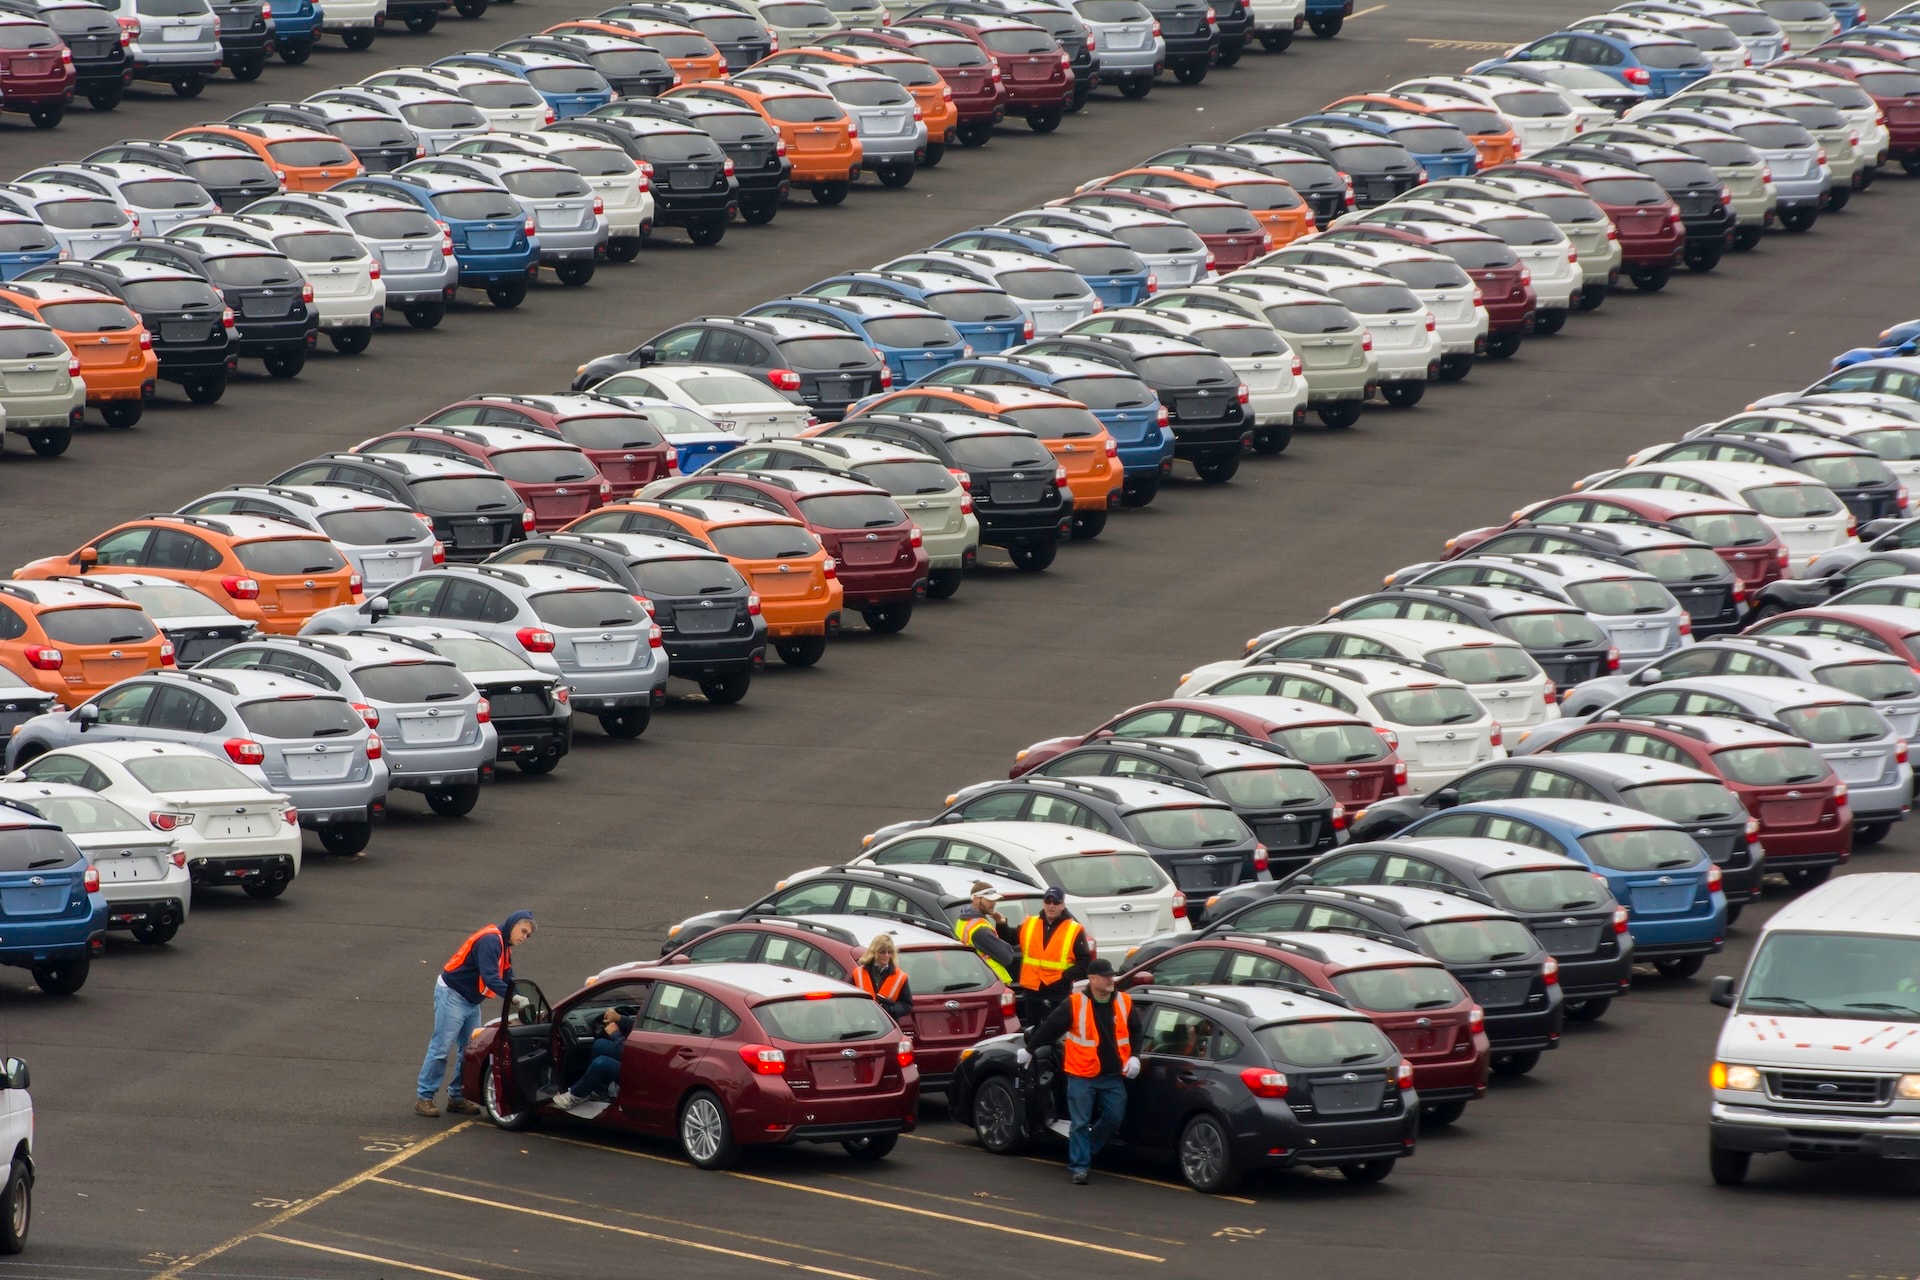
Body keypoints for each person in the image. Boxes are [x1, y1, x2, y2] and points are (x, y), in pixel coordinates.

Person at [1020, 958, 1142, 1184]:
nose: (1110, 980)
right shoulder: (1075, 1003)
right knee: (1079, 1122)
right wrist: (1029, 1050)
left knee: (1114, 1117)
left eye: (1111, 976)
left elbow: (1136, 1030)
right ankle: (1079, 1167)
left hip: (1112, 1075)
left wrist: (1135, 1055)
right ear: (1093, 979)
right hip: (1081, 1075)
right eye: (1106, 976)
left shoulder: (1124, 1001)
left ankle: (1086, 1148)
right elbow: (1049, 1028)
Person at [416, 910, 535, 1118]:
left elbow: (508, 976)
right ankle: (424, 1098)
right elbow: (490, 978)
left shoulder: (505, 946)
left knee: (469, 1050)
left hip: (471, 1000)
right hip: (453, 995)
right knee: (441, 1048)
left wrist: (519, 995)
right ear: (513, 924)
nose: (524, 937)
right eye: (523, 931)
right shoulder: (491, 941)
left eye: (528, 935)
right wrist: (515, 998)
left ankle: (457, 1098)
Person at [1016, 886, 1092, 1020]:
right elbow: (1011, 938)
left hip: (1058, 992)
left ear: (1062, 905)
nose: (1051, 906)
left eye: (1056, 903)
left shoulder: (1073, 929)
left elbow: (1085, 963)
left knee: (1056, 1033)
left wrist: (1064, 977)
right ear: (1043, 903)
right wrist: (1001, 925)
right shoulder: (1030, 923)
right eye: (1048, 902)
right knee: (1033, 1032)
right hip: (1033, 990)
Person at [554, 1007, 632, 1110]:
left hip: (640, 1071)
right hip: (639, 1059)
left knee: (601, 1063)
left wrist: (615, 1035)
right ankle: (599, 1091)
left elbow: (629, 1054)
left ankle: (576, 1096)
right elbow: (640, 1028)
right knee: (600, 1045)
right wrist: (619, 1018)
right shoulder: (657, 1015)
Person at [953, 881, 1021, 986]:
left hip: (979, 979)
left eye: (994, 900)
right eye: (989, 900)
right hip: (992, 981)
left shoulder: (963, 920)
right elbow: (1006, 956)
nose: (993, 903)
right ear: (976, 899)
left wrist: (1001, 925)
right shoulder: (980, 929)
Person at [853, 933, 914, 1023]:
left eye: (890, 952)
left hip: (888, 1025)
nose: (886, 955)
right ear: (874, 952)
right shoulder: (858, 973)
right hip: (863, 1025)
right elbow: (850, 1002)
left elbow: (907, 1005)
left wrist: (891, 1009)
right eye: (882, 952)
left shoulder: (900, 976)